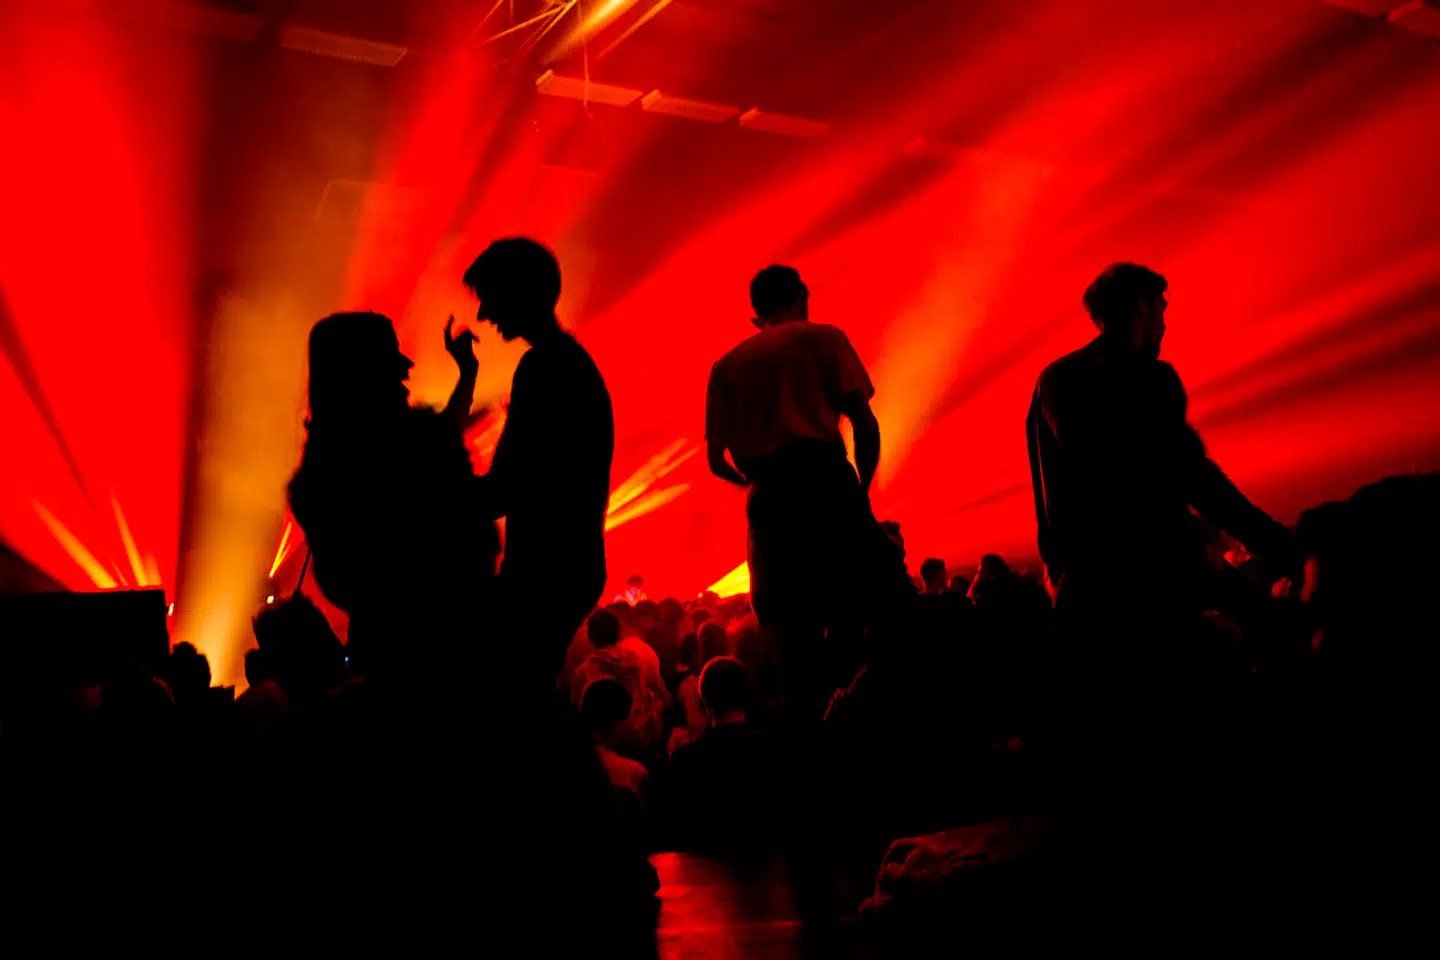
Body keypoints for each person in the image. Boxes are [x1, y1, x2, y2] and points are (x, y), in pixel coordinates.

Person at [1026, 263, 1296, 623]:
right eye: (1162, 309)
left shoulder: (1053, 380)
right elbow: (1193, 478)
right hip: (1153, 586)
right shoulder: (1149, 377)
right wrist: (1279, 545)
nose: (1165, 324)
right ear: (1141, 305)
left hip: (1086, 594)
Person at [704, 265, 911, 727]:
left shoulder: (727, 366)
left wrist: (754, 483)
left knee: (791, 636)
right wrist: (860, 491)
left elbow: (716, 459)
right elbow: (864, 423)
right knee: (877, 606)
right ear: (802, 297)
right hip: (827, 483)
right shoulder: (825, 339)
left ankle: (809, 737)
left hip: (769, 501)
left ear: (755, 315)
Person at [288, 312, 499, 679]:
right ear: (362, 373)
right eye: (391, 356)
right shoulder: (417, 448)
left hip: (380, 655)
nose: (407, 366)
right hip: (451, 653)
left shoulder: (324, 471)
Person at [462, 238, 615, 689]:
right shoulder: (568, 364)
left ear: (517, 292)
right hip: (566, 566)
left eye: (488, 297)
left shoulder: (544, 368)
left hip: (544, 571)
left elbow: (505, 487)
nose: (484, 314)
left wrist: (430, 479)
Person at [660, 657, 777, 853]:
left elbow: (674, 825)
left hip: (703, 865)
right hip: (763, 859)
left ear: (705, 703)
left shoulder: (685, 759)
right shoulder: (772, 749)